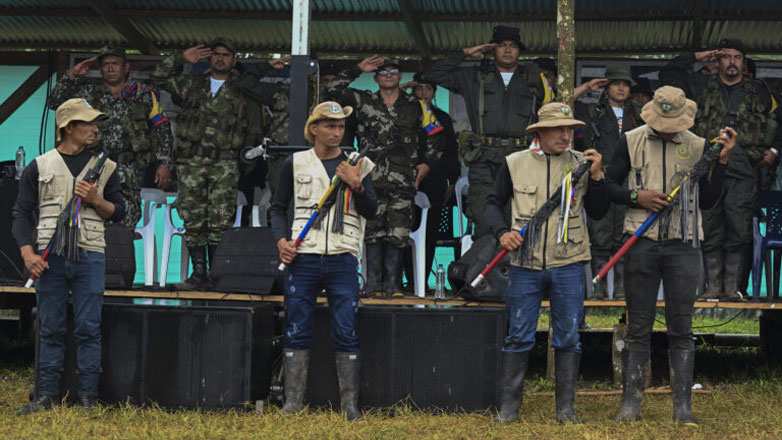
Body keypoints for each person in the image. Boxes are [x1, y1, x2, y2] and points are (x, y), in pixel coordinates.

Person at [604, 86, 735, 425]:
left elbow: (708, 200)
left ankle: (683, 409)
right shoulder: (629, 140)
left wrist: (719, 164)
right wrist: (638, 196)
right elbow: (609, 188)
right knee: (638, 327)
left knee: (682, 328)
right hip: (640, 241)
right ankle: (630, 405)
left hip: (684, 243)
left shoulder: (699, 146)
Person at [487, 102, 608, 425]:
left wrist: (596, 178)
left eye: (570, 129)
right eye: (559, 129)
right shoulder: (514, 163)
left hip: (569, 262)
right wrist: (501, 233)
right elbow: (492, 203)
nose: (566, 135)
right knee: (519, 335)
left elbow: (597, 211)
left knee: (569, 335)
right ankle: (509, 409)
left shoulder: (583, 163)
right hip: (524, 264)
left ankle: (566, 410)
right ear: (539, 133)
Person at [13, 99, 125, 413]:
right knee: (49, 327)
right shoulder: (40, 165)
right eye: (87, 123)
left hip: (90, 255)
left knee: (89, 327)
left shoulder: (106, 167)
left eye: (95, 123)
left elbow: (121, 212)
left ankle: (89, 399)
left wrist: (97, 201)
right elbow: (21, 214)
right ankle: (45, 397)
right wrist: (27, 254)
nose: (94, 128)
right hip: (49, 258)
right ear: (68, 128)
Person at [271, 101, 377, 420]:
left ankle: (349, 405)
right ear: (313, 128)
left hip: (343, 257)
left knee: (346, 328)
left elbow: (372, 210)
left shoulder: (359, 164)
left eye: (341, 126)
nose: (336, 132)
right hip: (303, 256)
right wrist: (281, 242)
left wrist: (356, 184)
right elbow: (277, 208)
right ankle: (292, 402)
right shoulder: (295, 163)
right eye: (329, 126)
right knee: (297, 326)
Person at [660, 38, 782, 301]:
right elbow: (668, 73)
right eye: (726, 57)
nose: (732, 62)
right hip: (709, 169)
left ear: (743, 62)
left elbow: (778, 120)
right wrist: (699, 56)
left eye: (737, 57)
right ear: (718, 61)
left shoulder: (759, 90)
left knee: (739, 229)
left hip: (744, 169)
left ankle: (733, 288)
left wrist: (774, 150)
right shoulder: (701, 85)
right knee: (710, 226)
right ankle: (712, 287)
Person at [327, 57, 443, 296]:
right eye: (383, 71)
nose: (389, 74)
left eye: (394, 71)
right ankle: (372, 284)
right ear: (377, 77)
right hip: (369, 179)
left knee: (398, 232)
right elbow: (333, 90)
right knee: (371, 231)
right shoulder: (363, 100)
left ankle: (392, 285)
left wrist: (426, 166)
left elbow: (435, 134)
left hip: (403, 180)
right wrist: (357, 68)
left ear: (401, 77)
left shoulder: (416, 104)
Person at [424, 25, 553, 240]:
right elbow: (432, 74)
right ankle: (484, 273)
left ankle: (515, 274)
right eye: (502, 45)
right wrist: (465, 53)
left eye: (513, 46)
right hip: (484, 160)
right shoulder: (475, 76)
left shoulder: (533, 79)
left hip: (521, 159)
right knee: (485, 222)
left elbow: (553, 112)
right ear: (492, 49)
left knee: (519, 222)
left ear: (519, 51)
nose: (508, 50)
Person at [151, 38, 251, 289]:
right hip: (192, 161)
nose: (220, 58)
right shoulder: (192, 86)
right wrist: (181, 58)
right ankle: (198, 274)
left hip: (224, 162)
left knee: (220, 219)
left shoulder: (243, 88)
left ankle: (216, 275)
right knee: (193, 218)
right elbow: (159, 77)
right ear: (208, 58)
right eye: (215, 54)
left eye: (225, 54)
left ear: (234, 60)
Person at [46, 45, 174, 228]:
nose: (111, 68)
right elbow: (54, 103)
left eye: (116, 63)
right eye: (106, 64)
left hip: (128, 168)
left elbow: (162, 128)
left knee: (125, 223)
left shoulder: (143, 94)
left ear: (126, 67)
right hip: (93, 166)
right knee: (91, 222)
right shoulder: (88, 94)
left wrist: (164, 163)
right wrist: (73, 75)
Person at [573, 65, 644, 299]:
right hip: (599, 177)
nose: (621, 88)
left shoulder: (639, 112)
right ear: (606, 87)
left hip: (629, 179)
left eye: (625, 84)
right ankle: (598, 289)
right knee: (600, 233)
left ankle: (623, 291)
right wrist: (586, 87)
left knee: (625, 233)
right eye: (616, 83)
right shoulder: (594, 111)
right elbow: (562, 104)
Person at [400, 72, 460, 287]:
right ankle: (401, 280)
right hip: (402, 179)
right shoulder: (402, 114)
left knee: (429, 232)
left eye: (428, 88)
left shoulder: (441, 117)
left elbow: (451, 150)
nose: (423, 92)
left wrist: (452, 180)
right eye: (419, 88)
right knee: (401, 230)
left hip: (434, 180)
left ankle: (421, 281)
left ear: (434, 92)